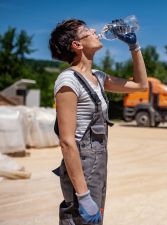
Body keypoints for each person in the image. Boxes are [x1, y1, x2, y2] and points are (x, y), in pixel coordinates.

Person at [49, 18, 148, 225]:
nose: (95, 30)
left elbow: (140, 84)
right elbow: (67, 142)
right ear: (76, 45)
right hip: (82, 168)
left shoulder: (98, 77)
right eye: (87, 30)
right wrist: (83, 196)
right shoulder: (68, 81)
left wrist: (134, 47)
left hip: (97, 164)